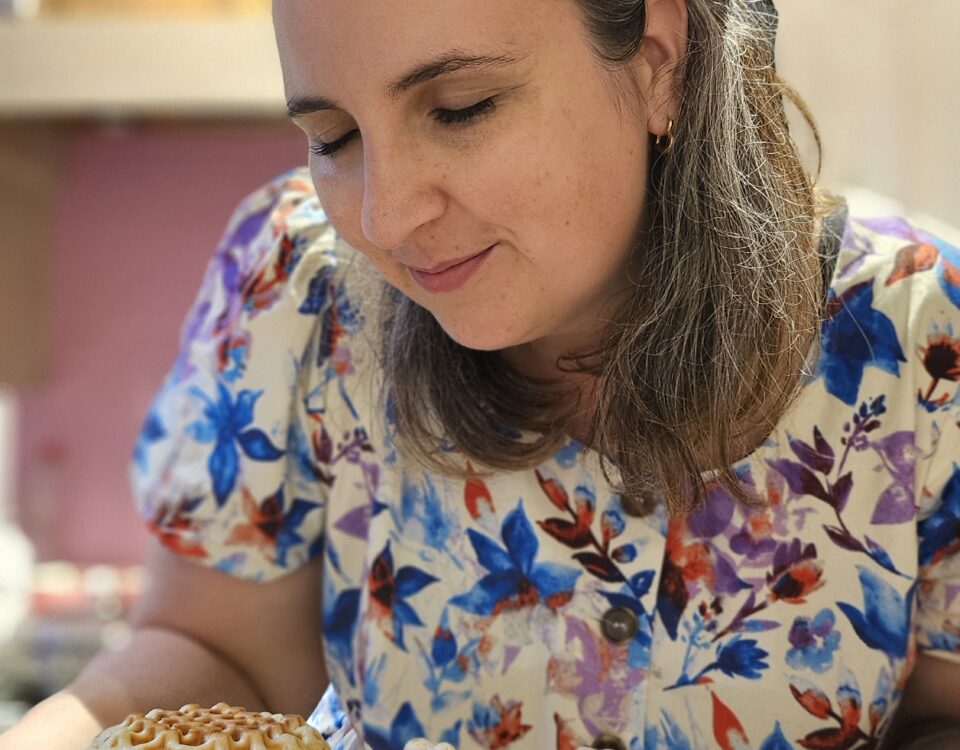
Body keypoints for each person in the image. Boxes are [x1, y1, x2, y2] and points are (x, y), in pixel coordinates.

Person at [4, 0, 960, 748]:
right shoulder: (293, 282)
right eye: (334, 137)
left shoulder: (919, 335)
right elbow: (216, 655)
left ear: (659, 60)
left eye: (460, 109)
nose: (383, 215)